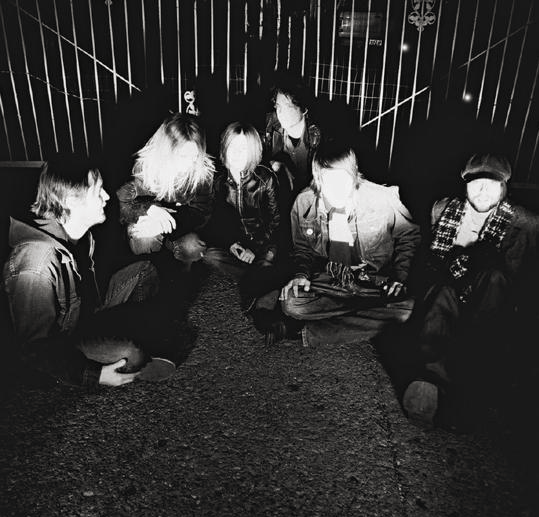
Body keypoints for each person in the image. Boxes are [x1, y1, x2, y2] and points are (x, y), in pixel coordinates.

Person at [383, 153, 539, 430]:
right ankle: (429, 382)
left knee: (494, 278)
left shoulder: (525, 223)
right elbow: (429, 262)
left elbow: (523, 281)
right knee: (441, 292)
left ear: (503, 188)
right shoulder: (443, 209)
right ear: (465, 184)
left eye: (491, 185)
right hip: (447, 290)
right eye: (476, 183)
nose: (482, 191)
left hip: (490, 300)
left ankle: (469, 389)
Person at [2, 153, 184, 388]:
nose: (106, 196)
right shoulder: (36, 262)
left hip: (85, 313)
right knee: (131, 354)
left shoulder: (77, 230)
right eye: (98, 192)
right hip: (62, 342)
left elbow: (122, 208)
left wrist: (148, 210)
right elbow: (33, 349)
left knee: (143, 272)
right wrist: (93, 375)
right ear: (70, 200)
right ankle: (116, 359)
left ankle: (130, 340)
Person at [280, 141, 421, 345]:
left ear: (354, 175)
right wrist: (300, 275)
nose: (336, 189)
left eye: (342, 179)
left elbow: (409, 236)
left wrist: (400, 277)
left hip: (374, 282)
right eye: (329, 180)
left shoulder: (382, 198)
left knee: (408, 309)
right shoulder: (304, 202)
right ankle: (368, 317)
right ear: (318, 179)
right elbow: (302, 248)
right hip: (330, 280)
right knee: (291, 303)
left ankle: (307, 333)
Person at [202, 122, 289, 323]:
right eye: (233, 147)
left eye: (244, 148)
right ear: (225, 148)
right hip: (239, 246)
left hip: (265, 244)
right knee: (210, 255)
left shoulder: (266, 178)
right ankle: (261, 278)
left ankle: (260, 279)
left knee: (269, 261)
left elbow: (277, 223)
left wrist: (259, 249)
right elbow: (218, 220)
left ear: (253, 151)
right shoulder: (219, 181)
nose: (237, 154)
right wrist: (233, 244)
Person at [116, 112, 214, 271]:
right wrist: (149, 210)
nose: (190, 164)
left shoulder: (202, 172)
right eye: (183, 156)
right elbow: (120, 202)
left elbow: (202, 213)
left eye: (195, 156)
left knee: (193, 248)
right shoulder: (145, 168)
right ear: (166, 152)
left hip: (179, 226)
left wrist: (164, 224)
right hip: (146, 221)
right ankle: (147, 275)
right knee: (145, 239)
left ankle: (181, 276)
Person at [263, 73, 321, 254]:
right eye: (278, 107)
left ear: (303, 109)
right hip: (280, 201)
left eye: (288, 107)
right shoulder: (269, 125)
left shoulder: (319, 134)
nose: (281, 113)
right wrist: (276, 165)